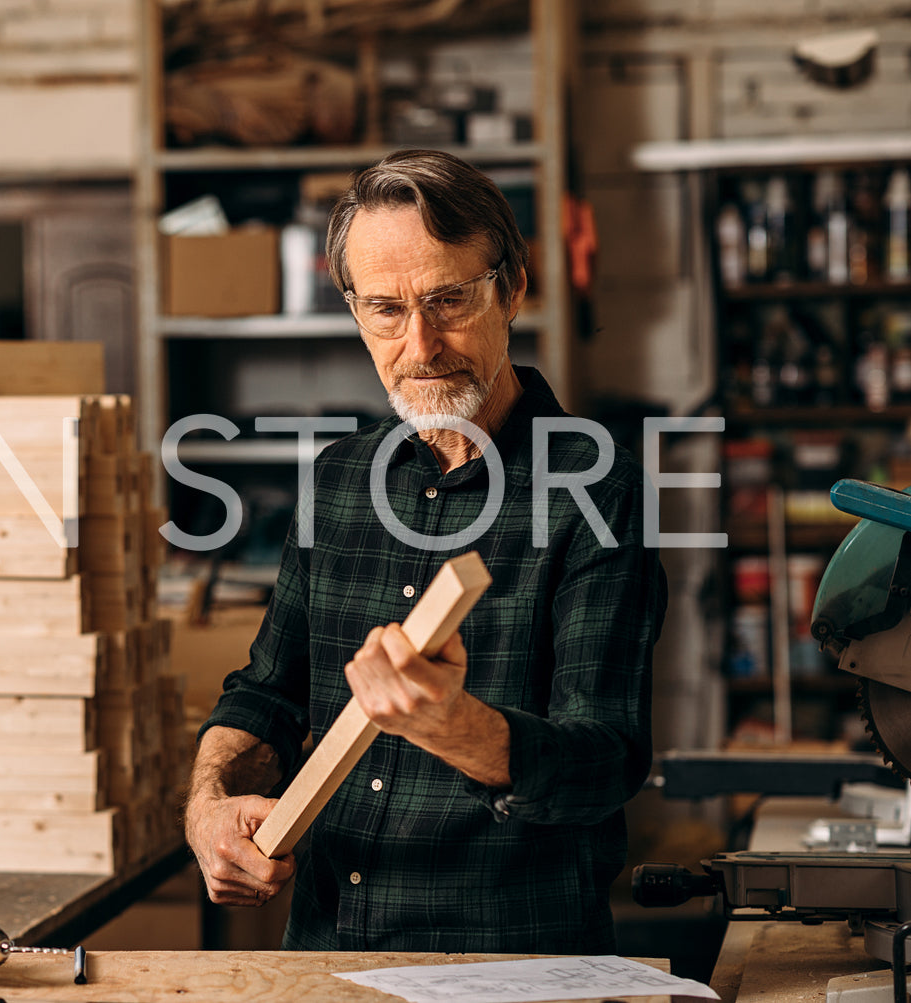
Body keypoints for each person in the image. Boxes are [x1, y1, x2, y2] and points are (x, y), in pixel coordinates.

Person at [183, 149, 668, 954]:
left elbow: (605, 762)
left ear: (510, 288)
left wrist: (454, 726)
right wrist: (207, 806)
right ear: (352, 310)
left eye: (447, 300)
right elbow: (266, 697)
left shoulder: (594, 487)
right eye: (384, 308)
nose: (420, 344)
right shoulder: (338, 481)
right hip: (331, 954)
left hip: (512, 962)